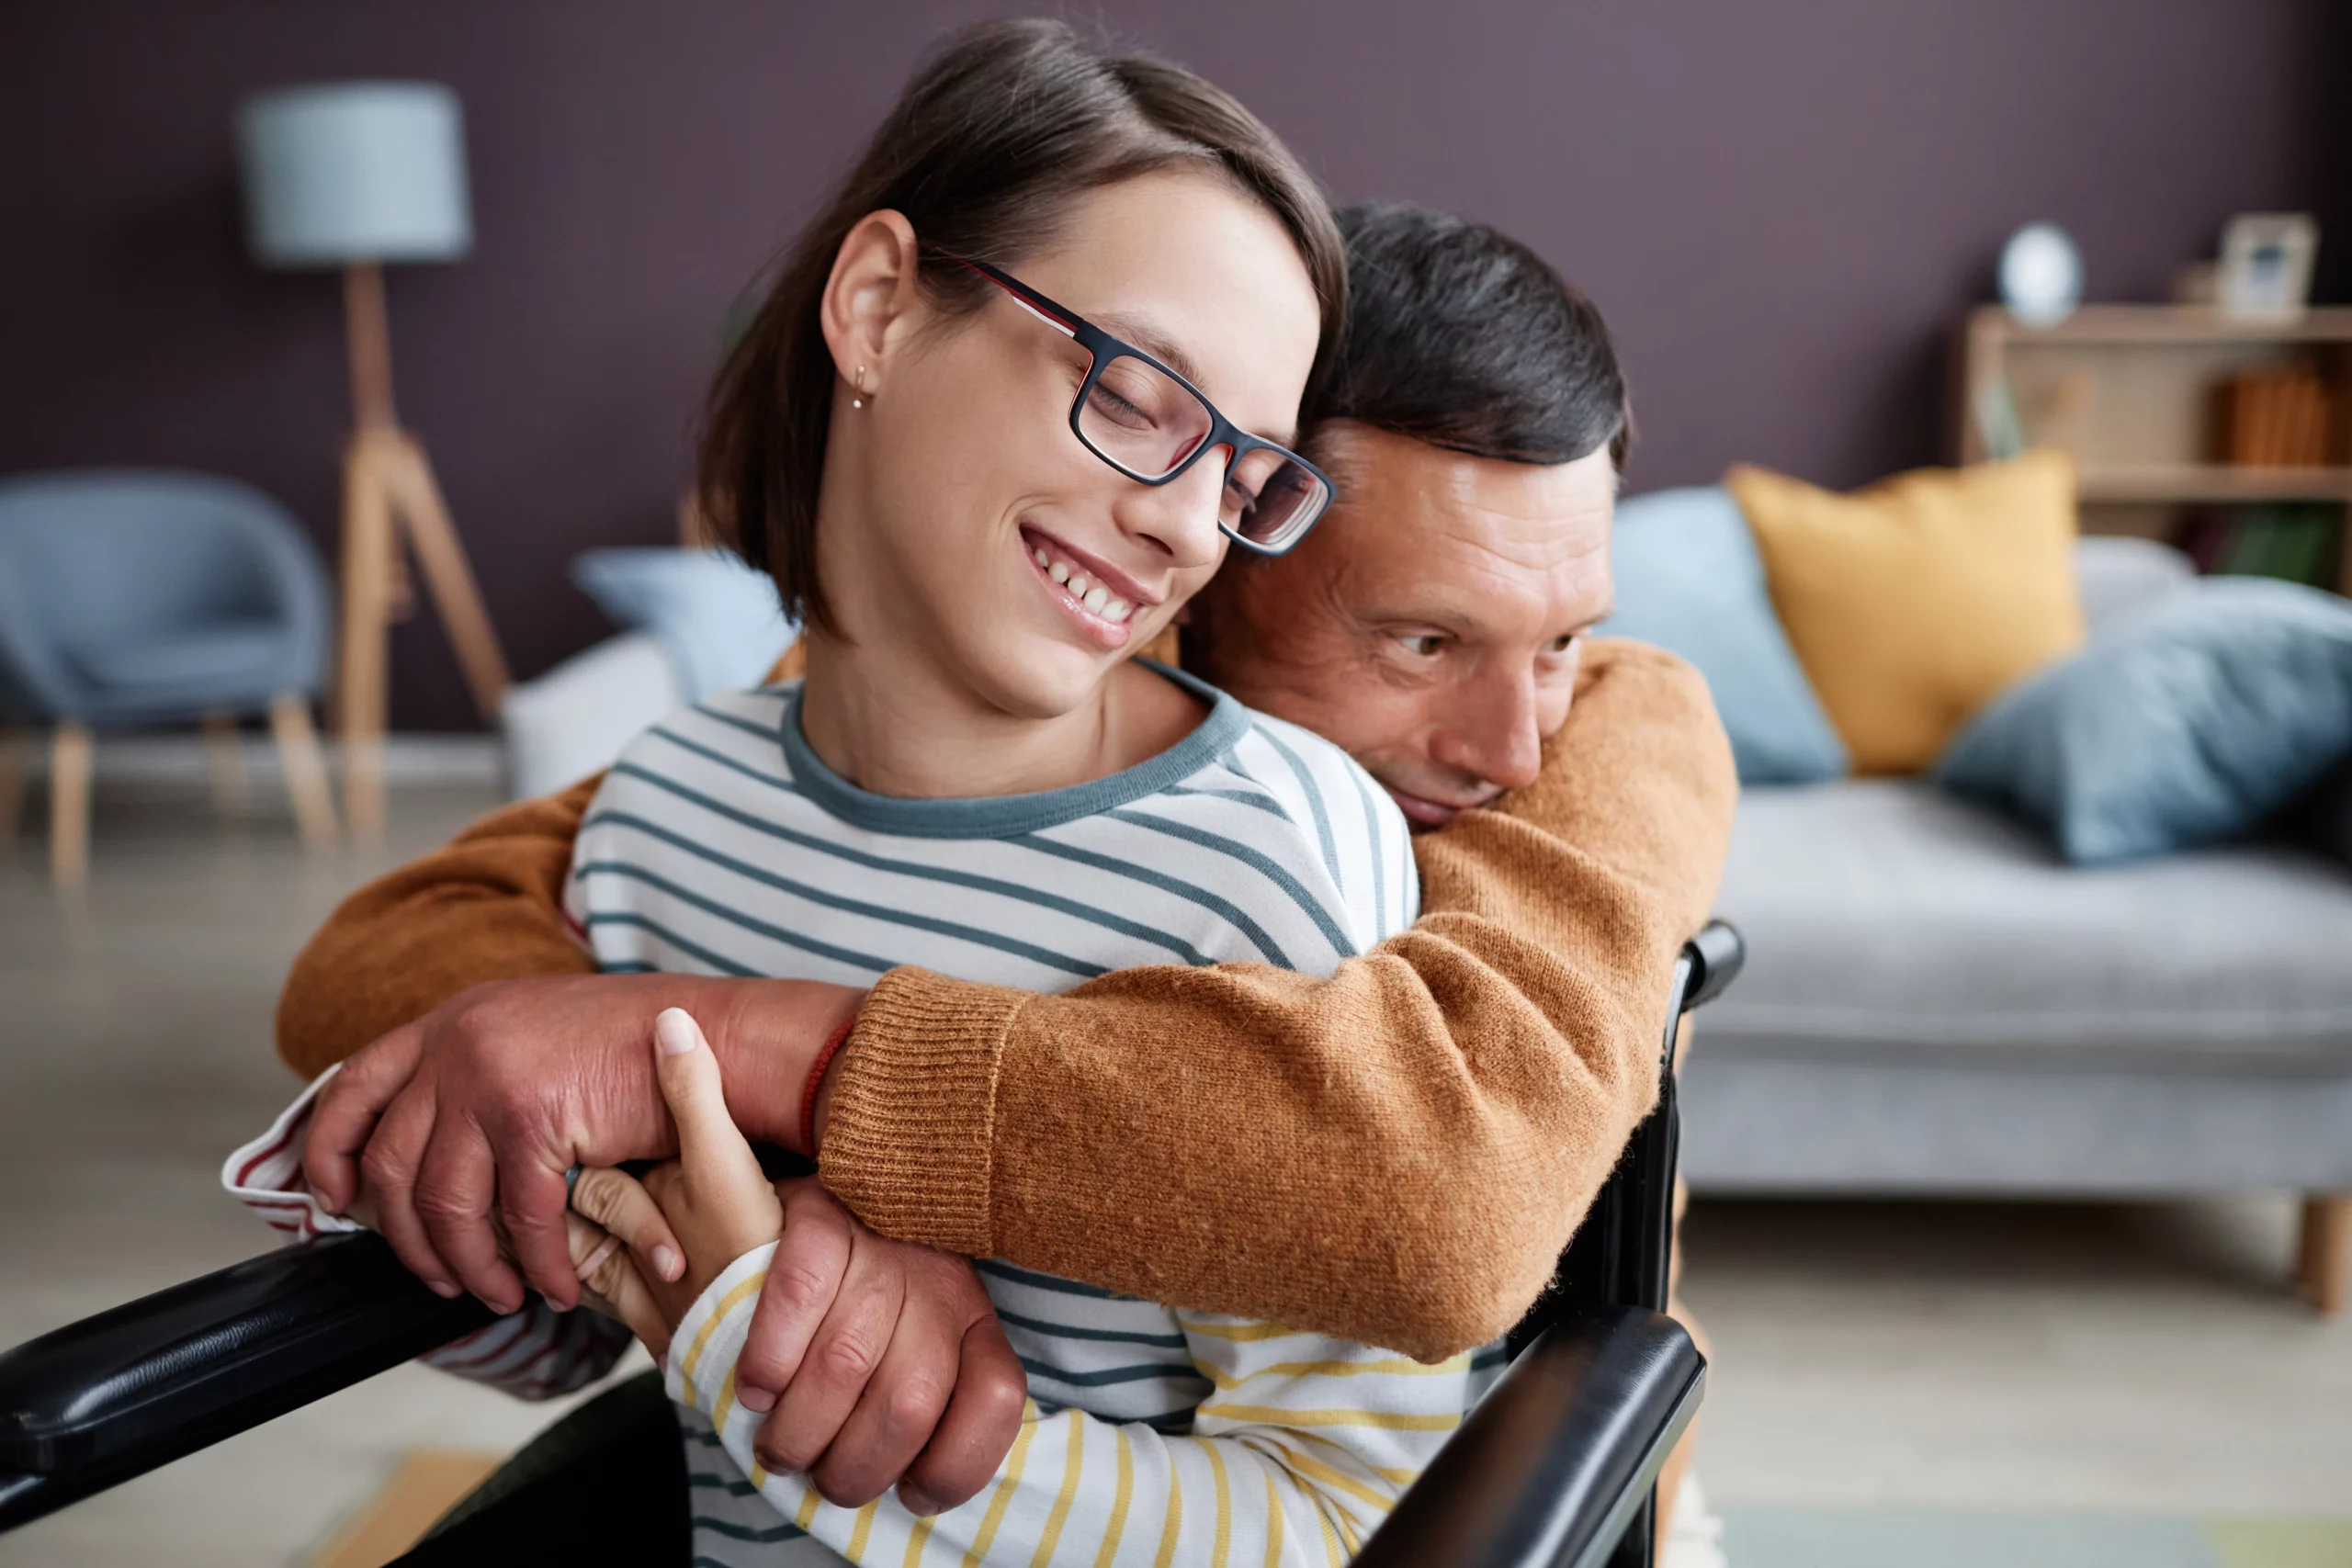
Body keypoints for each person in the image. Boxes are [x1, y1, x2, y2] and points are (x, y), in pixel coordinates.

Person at [263, 26, 1735, 1540]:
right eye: (1420, 639)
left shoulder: (1312, 837)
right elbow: (459, 1047)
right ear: (879, 308)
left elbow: (1429, 1237)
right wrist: (501, 1167)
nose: (1514, 745)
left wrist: (769, 1268)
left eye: (1238, 476)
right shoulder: (674, 807)